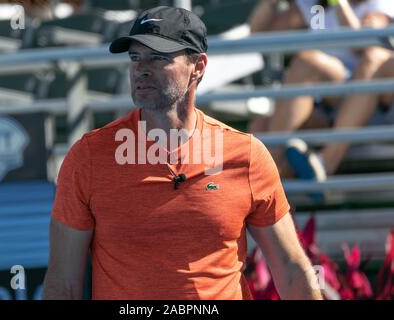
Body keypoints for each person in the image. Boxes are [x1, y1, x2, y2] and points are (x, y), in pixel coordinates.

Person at [43, 6, 322, 300]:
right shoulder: (88, 157)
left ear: (198, 66)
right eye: (135, 57)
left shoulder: (248, 155)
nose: (141, 68)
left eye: (159, 58)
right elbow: (63, 285)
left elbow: (291, 270)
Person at [248, 0, 394, 179]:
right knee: (261, 127)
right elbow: (259, 35)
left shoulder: (380, 5)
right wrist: (270, 4)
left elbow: (361, 44)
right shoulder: (315, 6)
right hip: (330, 105)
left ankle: (321, 163)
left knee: (313, 61)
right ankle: (274, 182)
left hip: (373, 106)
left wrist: (339, 4)